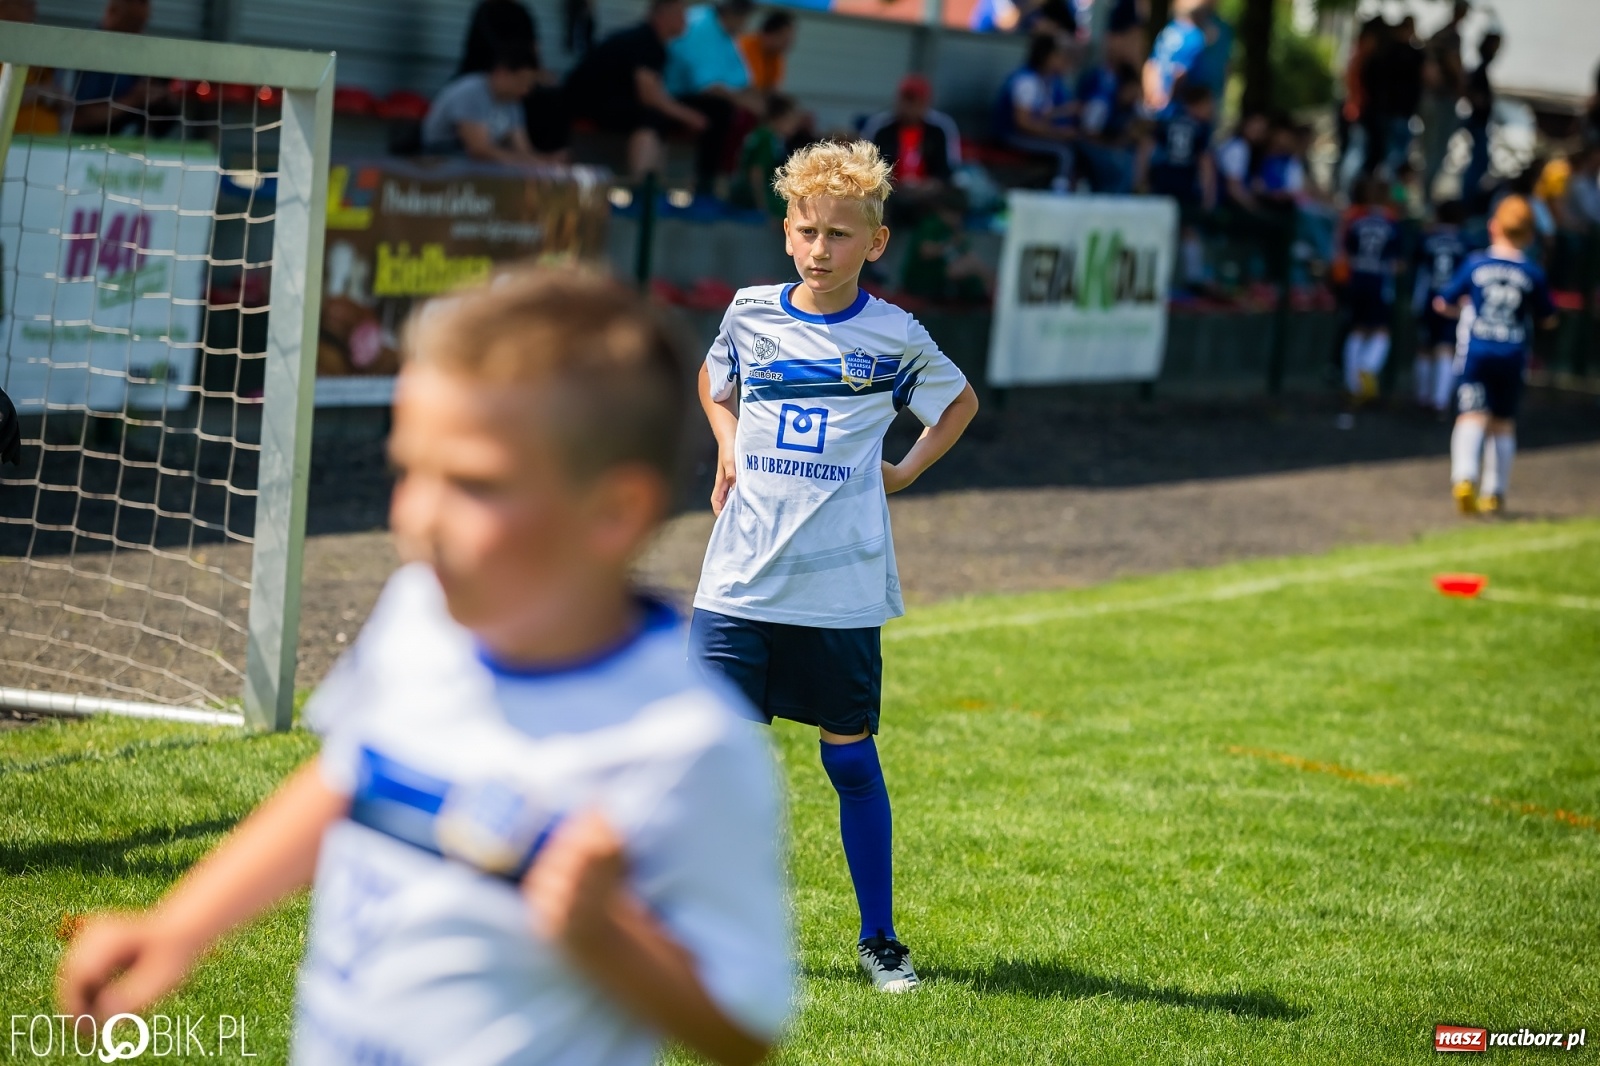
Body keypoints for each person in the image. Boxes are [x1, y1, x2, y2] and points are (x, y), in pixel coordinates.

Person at [55, 270, 794, 1065]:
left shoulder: (687, 743)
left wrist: (606, 936)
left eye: (475, 484)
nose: (415, 519)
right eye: (408, 470)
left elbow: (743, 1031)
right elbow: (350, 776)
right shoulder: (418, 613)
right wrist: (179, 925)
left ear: (615, 511)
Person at [690, 140, 979, 995]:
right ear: (786, 233)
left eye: (841, 235)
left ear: (875, 243)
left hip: (839, 588)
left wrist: (905, 470)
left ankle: (881, 940)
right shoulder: (748, 313)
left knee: (849, 761)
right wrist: (727, 446)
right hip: (737, 581)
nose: (822, 249)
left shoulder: (894, 336)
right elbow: (714, 383)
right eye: (808, 231)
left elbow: (958, 402)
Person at [1434, 195, 1557, 514]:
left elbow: (1444, 301)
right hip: (1512, 354)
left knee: (1471, 415)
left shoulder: (1476, 263)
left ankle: (1464, 476)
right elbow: (1548, 317)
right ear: (1529, 235)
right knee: (1502, 423)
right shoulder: (1532, 272)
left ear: (1493, 227)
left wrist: (1459, 309)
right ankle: (1495, 491)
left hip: (1477, 350)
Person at [564, 0, 709, 182]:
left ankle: (655, 186)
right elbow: (649, 96)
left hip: (608, 101)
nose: (685, 20)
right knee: (650, 118)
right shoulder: (644, 39)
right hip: (583, 102)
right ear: (662, 15)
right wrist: (689, 116)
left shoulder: (657, 45)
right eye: (680, 14)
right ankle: (641, 186)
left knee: (660, 119)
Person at [666, 0, 762, 193]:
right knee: (720, 110)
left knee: (753, 116)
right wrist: (747, 102)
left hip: (703, 97)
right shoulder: (701, 25)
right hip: (674, 96)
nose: (745, 23)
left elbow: (742, 79)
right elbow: (706, 85)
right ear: (733, 13)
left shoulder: (726, 32)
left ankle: (736, 187)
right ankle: (705, 186)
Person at [455, 0, 569, 155]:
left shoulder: (522, 13)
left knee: (550, 96)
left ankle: (551, 156)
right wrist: (514, 73)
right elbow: (492, 50)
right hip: (489, 71)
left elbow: (533, 50)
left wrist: (536, 74)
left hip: (515, 72)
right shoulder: (486, 11)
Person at [421, 42, 553, 163]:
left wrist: (547, 161)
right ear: (501, 73)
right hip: (443, 160)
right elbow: (479, 150)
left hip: (477, 167)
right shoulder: (471, 91)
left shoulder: (512, 102)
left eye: (528, 85)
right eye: (521, 81)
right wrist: (526, 162)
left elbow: (523, 149)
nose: (525, 90)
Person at [68, 0, 179, 135]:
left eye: (142, 24)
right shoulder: (89, 51)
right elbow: (77, 118)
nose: (139, 32)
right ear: (113, 12)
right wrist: (133, 99)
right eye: (133, 23)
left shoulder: (138, 52)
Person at [1337, 177, 1401, 400]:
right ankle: (1367, 368)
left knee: (1357, 328)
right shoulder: (1391, 223)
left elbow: (1344, 252)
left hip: (1356, 279)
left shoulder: (1354, 220)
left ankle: (1351, 383)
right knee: (1381, 330)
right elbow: (1396, 262)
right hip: (1379, 282)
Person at [994, 33, 1079, 193]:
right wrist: (1057, 133)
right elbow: (1023, 123)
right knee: (1063, 153)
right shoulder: (1026, 80)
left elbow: (1041, 115)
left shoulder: (1046, 81)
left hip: (1027, 134)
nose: (1061, 60)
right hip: (1010, 135)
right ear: (1045, 56)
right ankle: (1058, 195)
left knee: (1076, 146)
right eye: (1057, 55)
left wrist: (1063, 112)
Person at [862, 75, 961, 207]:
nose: (909, 106)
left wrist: (930, 184)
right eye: (905, 99)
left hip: (929, 192)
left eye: (914, 101)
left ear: (925, 102)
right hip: (890, 191)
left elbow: (950, 167)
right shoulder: (880, 126)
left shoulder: (941, 128)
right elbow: (866, 164)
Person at [1413, 199, 1471, 412]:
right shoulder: (1465, 241)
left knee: (1425, 347)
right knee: (1446, 348)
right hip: (1452, 301)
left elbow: (1416, 265)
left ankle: (1423, 397)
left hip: (1428, 299)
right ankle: (1440, 401)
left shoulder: (1427, 237)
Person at [901, 187, 994, 304]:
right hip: (923, 277)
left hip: (942, 273)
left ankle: (989, 292)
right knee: (969, 264)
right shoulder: (931, 224)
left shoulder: (953, 229)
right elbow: (925, 251)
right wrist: (950, 244)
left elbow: (965, 252)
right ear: (944, 211)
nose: (958, 219)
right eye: (955, 215)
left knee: (972, 264)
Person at [1420, 0, 1469, 205]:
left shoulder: (1438, 33)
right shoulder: (1451, 36)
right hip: (1441, 100)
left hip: (1429, 98)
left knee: (1427, 149)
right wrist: (1462, 90)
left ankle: (1422, 195)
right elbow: (1453, 65)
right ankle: (1425, 197)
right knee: (1435, 151)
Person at [730, 93, 802, 218]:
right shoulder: (766, 138)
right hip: (751, 194)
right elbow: (756, 172)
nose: (795, 124)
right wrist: (762, 206)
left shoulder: (768, 136)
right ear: (779, 118)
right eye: (792, 119)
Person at [1143, 0, 1205, 116]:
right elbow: (1179, 72)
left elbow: (1152, 64)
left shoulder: (1168, 30)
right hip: (1175, 107)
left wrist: (1150, 95)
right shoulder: (1195, 37)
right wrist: (1166, 99)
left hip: (1154, 100)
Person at [1461, 31, 1501, 207]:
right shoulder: (1480, 68)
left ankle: (1468, 198)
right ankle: (1467, 199)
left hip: (1480, 122)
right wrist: (1482, 102)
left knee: (1481, 161)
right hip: (1477, 122)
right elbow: (1472, 93)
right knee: (1479, 162)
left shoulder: (1482, 68)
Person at [738, 9, 796, 94]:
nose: (788, 44)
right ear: (768, 35)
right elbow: (750, 87)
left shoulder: (775, 56)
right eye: (785, 40)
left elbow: (774, 90)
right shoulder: (744, 46)